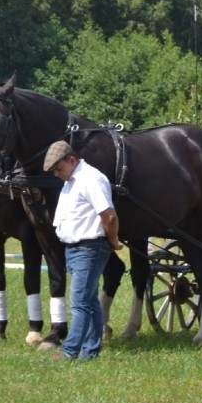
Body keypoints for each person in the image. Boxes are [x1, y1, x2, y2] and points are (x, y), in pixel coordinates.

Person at [44, 141, 122, 361]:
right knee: (90, 301)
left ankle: (69, 351)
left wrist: (113, 240)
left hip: (89, 247)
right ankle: (90, 351)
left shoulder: (90, 179)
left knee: (79, 302)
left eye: (59, 168)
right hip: (78, 248)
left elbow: (109, 215)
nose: (57, 174)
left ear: (72, 160)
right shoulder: (73, 179)